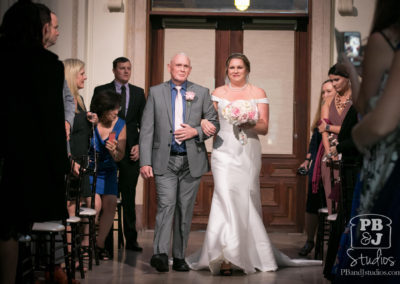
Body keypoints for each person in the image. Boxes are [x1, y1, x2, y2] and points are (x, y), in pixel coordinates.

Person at [187, 53, 321, 275]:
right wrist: (202, 121)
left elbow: (264, 127)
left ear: (247, 69)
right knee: (224, 197)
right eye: (231, 67)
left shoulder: (258, 93)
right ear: (226, 70)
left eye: (240, 67)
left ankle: (247, 253)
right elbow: (209, 120)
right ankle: (225, 256)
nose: (236, 71)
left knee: (246, 197)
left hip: (247, 150)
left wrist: (247, 121)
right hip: (223, 151)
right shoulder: (218, 93)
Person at [0, 1, 69, 283]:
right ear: (41, 29)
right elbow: (50, 123)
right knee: (10, 229)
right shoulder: (46, 66)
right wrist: (58, 169)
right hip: (21, 162)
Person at [139, 52, 219, 272]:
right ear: (170, 67)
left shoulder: (201, 92)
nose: (182, 69)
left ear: (190, 70)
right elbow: (147, 129)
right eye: (178, 65)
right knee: (166, 205)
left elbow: (214, 123)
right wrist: (145, 161)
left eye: (186, 66)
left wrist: (196, 131)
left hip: (191, 161)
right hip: (164, 161)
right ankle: (160, 254)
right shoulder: (156, 92)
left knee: (184, 210)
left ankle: (180, 256)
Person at [92, 57, 146, 253]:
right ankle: (104, 245)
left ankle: (131, 240)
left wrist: (140, 145)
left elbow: (144, 124)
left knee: (129, 197)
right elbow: (94, 117)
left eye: (129, 68)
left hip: (130, 151)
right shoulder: (101, 90)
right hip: (105, 151)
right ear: (114, 70)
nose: (126, 71)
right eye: (122, 68)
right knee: (106, 195)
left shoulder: (139, 93)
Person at [298, 79, 336, 257]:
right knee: (312, 203)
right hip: (318, 165)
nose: (325, 95)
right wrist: (307, 160)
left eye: (328, 91)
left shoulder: (343, 113)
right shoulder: (321, 114)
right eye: (323, 92)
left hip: (335, 163)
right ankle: (310, 241)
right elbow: (315, 141)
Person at [90, 90, 127, 260]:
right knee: (95, 204)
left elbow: (120, 156)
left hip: (109, 171)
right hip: (91, 170)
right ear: (104, 109)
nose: (117, 112)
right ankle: (86, 244)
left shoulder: (121, 124)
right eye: (114, 108)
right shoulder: (92, 121)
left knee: (111, 203)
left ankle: (99, 245)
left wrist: (114, 152)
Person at [316, 64, 353, 215]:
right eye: (332, 80)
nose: (334, 84)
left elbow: (352, 131)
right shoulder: (329, 100)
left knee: (349, 201)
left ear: (348, 78)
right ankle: (334, 237)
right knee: (333, 207)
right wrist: (329, 152)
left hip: (350, 153)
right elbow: (321, 129)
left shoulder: (358, 99)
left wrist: (330, 128)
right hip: (331, 156)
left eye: (337, 80)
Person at [36, 3, 75, 143]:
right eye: (55, 28)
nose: (58, 32)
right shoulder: (52, 66)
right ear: (45, 28)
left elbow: (69, 99)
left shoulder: (55, 65)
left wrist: (67, 121)